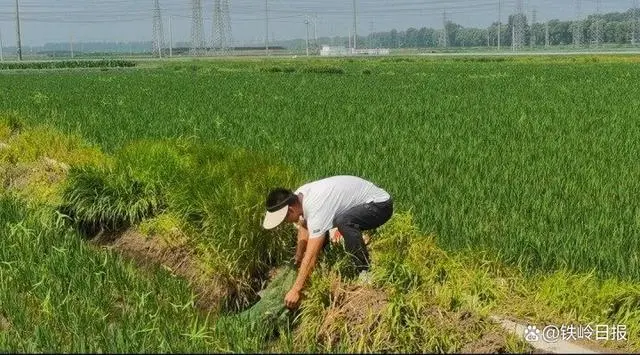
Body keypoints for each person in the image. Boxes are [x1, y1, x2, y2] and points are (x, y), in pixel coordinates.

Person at [262, 175, 394, 310]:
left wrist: (296, 290)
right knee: (320, 229)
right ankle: (327, 266)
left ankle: (364, 272)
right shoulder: (298, 196)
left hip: (380, 205)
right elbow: (304, 224)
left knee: (343, 222)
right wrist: (299, 254)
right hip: (364, 202)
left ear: (290, 210)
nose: (285, 223)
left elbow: (312, 254)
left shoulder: (316, 206)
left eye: (284, 219)